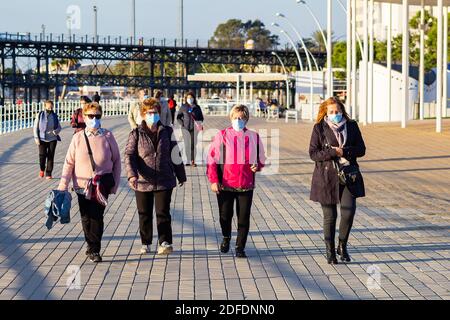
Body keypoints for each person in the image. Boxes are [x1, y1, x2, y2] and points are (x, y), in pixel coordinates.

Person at [57, 102, 121, 263]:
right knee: (86, 216)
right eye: (91, 116)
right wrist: (63, 186)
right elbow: (69, 162)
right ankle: (90, 244)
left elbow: (117, 160)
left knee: (97, 216)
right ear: (84, 117)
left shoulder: (107, 135)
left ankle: (95, 249)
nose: (94, 119)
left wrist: (115, 184)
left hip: (101, 184)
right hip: (81, 185)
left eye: (97, 116)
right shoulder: (78, 138)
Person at [125, 98, 186, 255]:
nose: (153, 115)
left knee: (163, 212)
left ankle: (165, 242)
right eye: (150, 113)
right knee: (144, 213)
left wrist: (181, 175)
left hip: (164, 178)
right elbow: (129, 155)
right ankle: (146, 242)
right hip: (143, 180)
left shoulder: (167, 131)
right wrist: (132, 175)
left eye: (156, 112)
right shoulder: (136, 133)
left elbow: (175, 153)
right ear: (144, 114)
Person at [309, 97, 366, 264]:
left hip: (349, 175)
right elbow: (313, 154)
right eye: (331, 112)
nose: (335, 115)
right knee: (330, 216)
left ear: (342, 111)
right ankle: (330, 251)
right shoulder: (319, 128)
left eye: (338, 111)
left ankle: (342, 245)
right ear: (326, 113)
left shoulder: (352, 126)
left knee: (348, 212)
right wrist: (333, 153)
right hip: (326, 177)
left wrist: (345, 151)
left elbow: (361, 149)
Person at [207, 105, 266, 258]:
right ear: (231, 118)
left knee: (244, 217)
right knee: (225, 215)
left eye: (241, 118)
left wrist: (257, 166)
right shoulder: (222, 135)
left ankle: (240, 247)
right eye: (235, 117)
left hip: (246, 184)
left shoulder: (254, 136)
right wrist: (214, 180)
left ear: (246, 119)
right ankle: (226, 237)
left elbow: (261, 157)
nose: (238, 120)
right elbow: (212, 159)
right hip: (225, 183)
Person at [33, 100, 62, 179]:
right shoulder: (40, 115)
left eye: (51, 107)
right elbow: (35, 127)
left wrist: (56, 132)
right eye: (48, 107)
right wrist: (36, 138)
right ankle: (42, 169)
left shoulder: (54, 115)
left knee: (50, 156)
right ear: (45, 106)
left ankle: (49, 173)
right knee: (42, 156)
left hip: (52, 139)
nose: (50, 108)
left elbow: (59, 127)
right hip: (42, 139)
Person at [176, 92, 204, 167]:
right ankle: (188, 160)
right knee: (186, 145)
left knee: (193, 145)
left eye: (191, 98)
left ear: (194, 99)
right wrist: (182, 124)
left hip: (194, 129)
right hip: (185, 129)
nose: (190, 99)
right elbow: (178, 117)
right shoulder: (183, 107)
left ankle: (193, 161)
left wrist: (199, 123)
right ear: (186, 99)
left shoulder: (197, 107)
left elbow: (201, 118)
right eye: (188, 98)